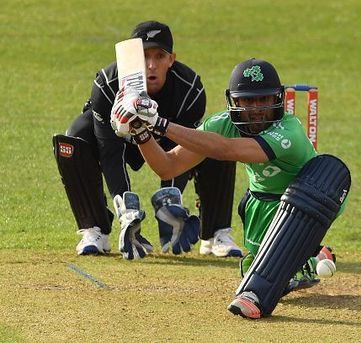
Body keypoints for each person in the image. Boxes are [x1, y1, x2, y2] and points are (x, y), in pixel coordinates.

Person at [111, 58, 351, 318]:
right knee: (252, 265)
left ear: (278, 98)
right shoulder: (223, 123)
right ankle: (310, 258)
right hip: (261, 202)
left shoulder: (288, 131)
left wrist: (159, 123)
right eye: (248, 101)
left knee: (266, 274)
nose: (257, 108)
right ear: (234, 101)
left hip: (314, 200)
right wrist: (140, 132)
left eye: (263, 99)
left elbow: (226, 149)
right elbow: (168, 166)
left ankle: (291, 266)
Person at [52, 20, 243, 259]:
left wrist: (169, 201)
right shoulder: (107, 85)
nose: (151, 65)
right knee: (75, 136)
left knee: (214, 136)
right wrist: (126, 210)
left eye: (159, 56)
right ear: (130, 60)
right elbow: (110, 152)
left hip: (167, 143)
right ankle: (95, 231)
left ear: (171, 59)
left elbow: (185, 149)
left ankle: (215, 233)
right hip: (116, 139)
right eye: (144, 56)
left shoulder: (190, 90)